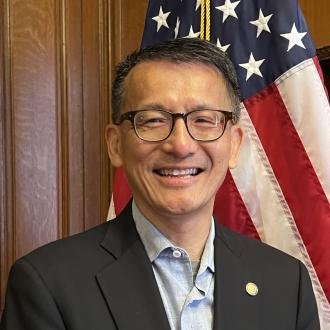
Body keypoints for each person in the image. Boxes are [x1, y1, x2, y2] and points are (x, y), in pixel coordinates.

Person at [0, 38, 320, 330]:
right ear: (115, 145)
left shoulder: (287, 283)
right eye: (153, 120)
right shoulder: (47, 284)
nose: (180, 145)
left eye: (204, 120)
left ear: (234, 143)